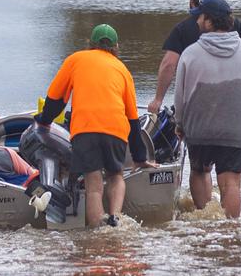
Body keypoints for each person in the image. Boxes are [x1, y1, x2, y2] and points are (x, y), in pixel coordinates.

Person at [35, 24, 157, 228]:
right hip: (116, 130)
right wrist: (140, 158)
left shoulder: (76, 59)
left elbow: (56, 100)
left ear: (90, 44)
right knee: (116, 175)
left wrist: (44, 121)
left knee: (93, 184)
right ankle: (115, 217)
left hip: (85, 130)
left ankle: (97, 230)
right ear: (116, 47)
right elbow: (133, 120)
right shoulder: (122, 69)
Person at [173, 0, 241, 218]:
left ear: (210, 21)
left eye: (200, 17)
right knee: (231, 182)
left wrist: (180, 124)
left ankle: (206, 222)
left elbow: (180, 97)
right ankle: (230, 231)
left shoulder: (190, 54)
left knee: (199, 171)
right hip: (236, 130)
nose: (196, 22)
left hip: (200, 130)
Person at [147, 0, 241, 114]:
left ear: (192, 0)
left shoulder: (182, 29)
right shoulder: (234, 23)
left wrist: (158, 100)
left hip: (198, 106)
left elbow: (168, 65)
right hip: (234, 104)